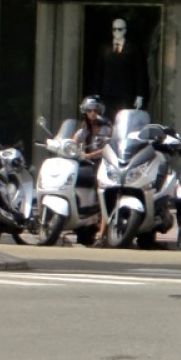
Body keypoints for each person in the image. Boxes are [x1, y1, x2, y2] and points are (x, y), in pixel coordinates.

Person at [74, 94, 111, 246]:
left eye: (96, 110)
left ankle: (101, 230)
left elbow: (107, 147)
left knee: (102, 192)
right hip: (85, 163)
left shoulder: (106, 128)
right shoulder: (83, 129)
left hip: (102, 163)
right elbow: (73, 141)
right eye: (89, 110)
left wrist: (90, 154)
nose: (93, 114)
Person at [93, 17, 149, 117]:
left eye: (120, 29)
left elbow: (140, 73)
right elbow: (99, 71)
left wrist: (140, 95)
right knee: (108, 119)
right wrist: (97, 93)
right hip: (107, 94)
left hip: (126, 94)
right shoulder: (105, 48)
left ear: (125, 30)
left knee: (123, 120)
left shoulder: (133, 49)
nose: (117, 32)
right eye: (114, 29)